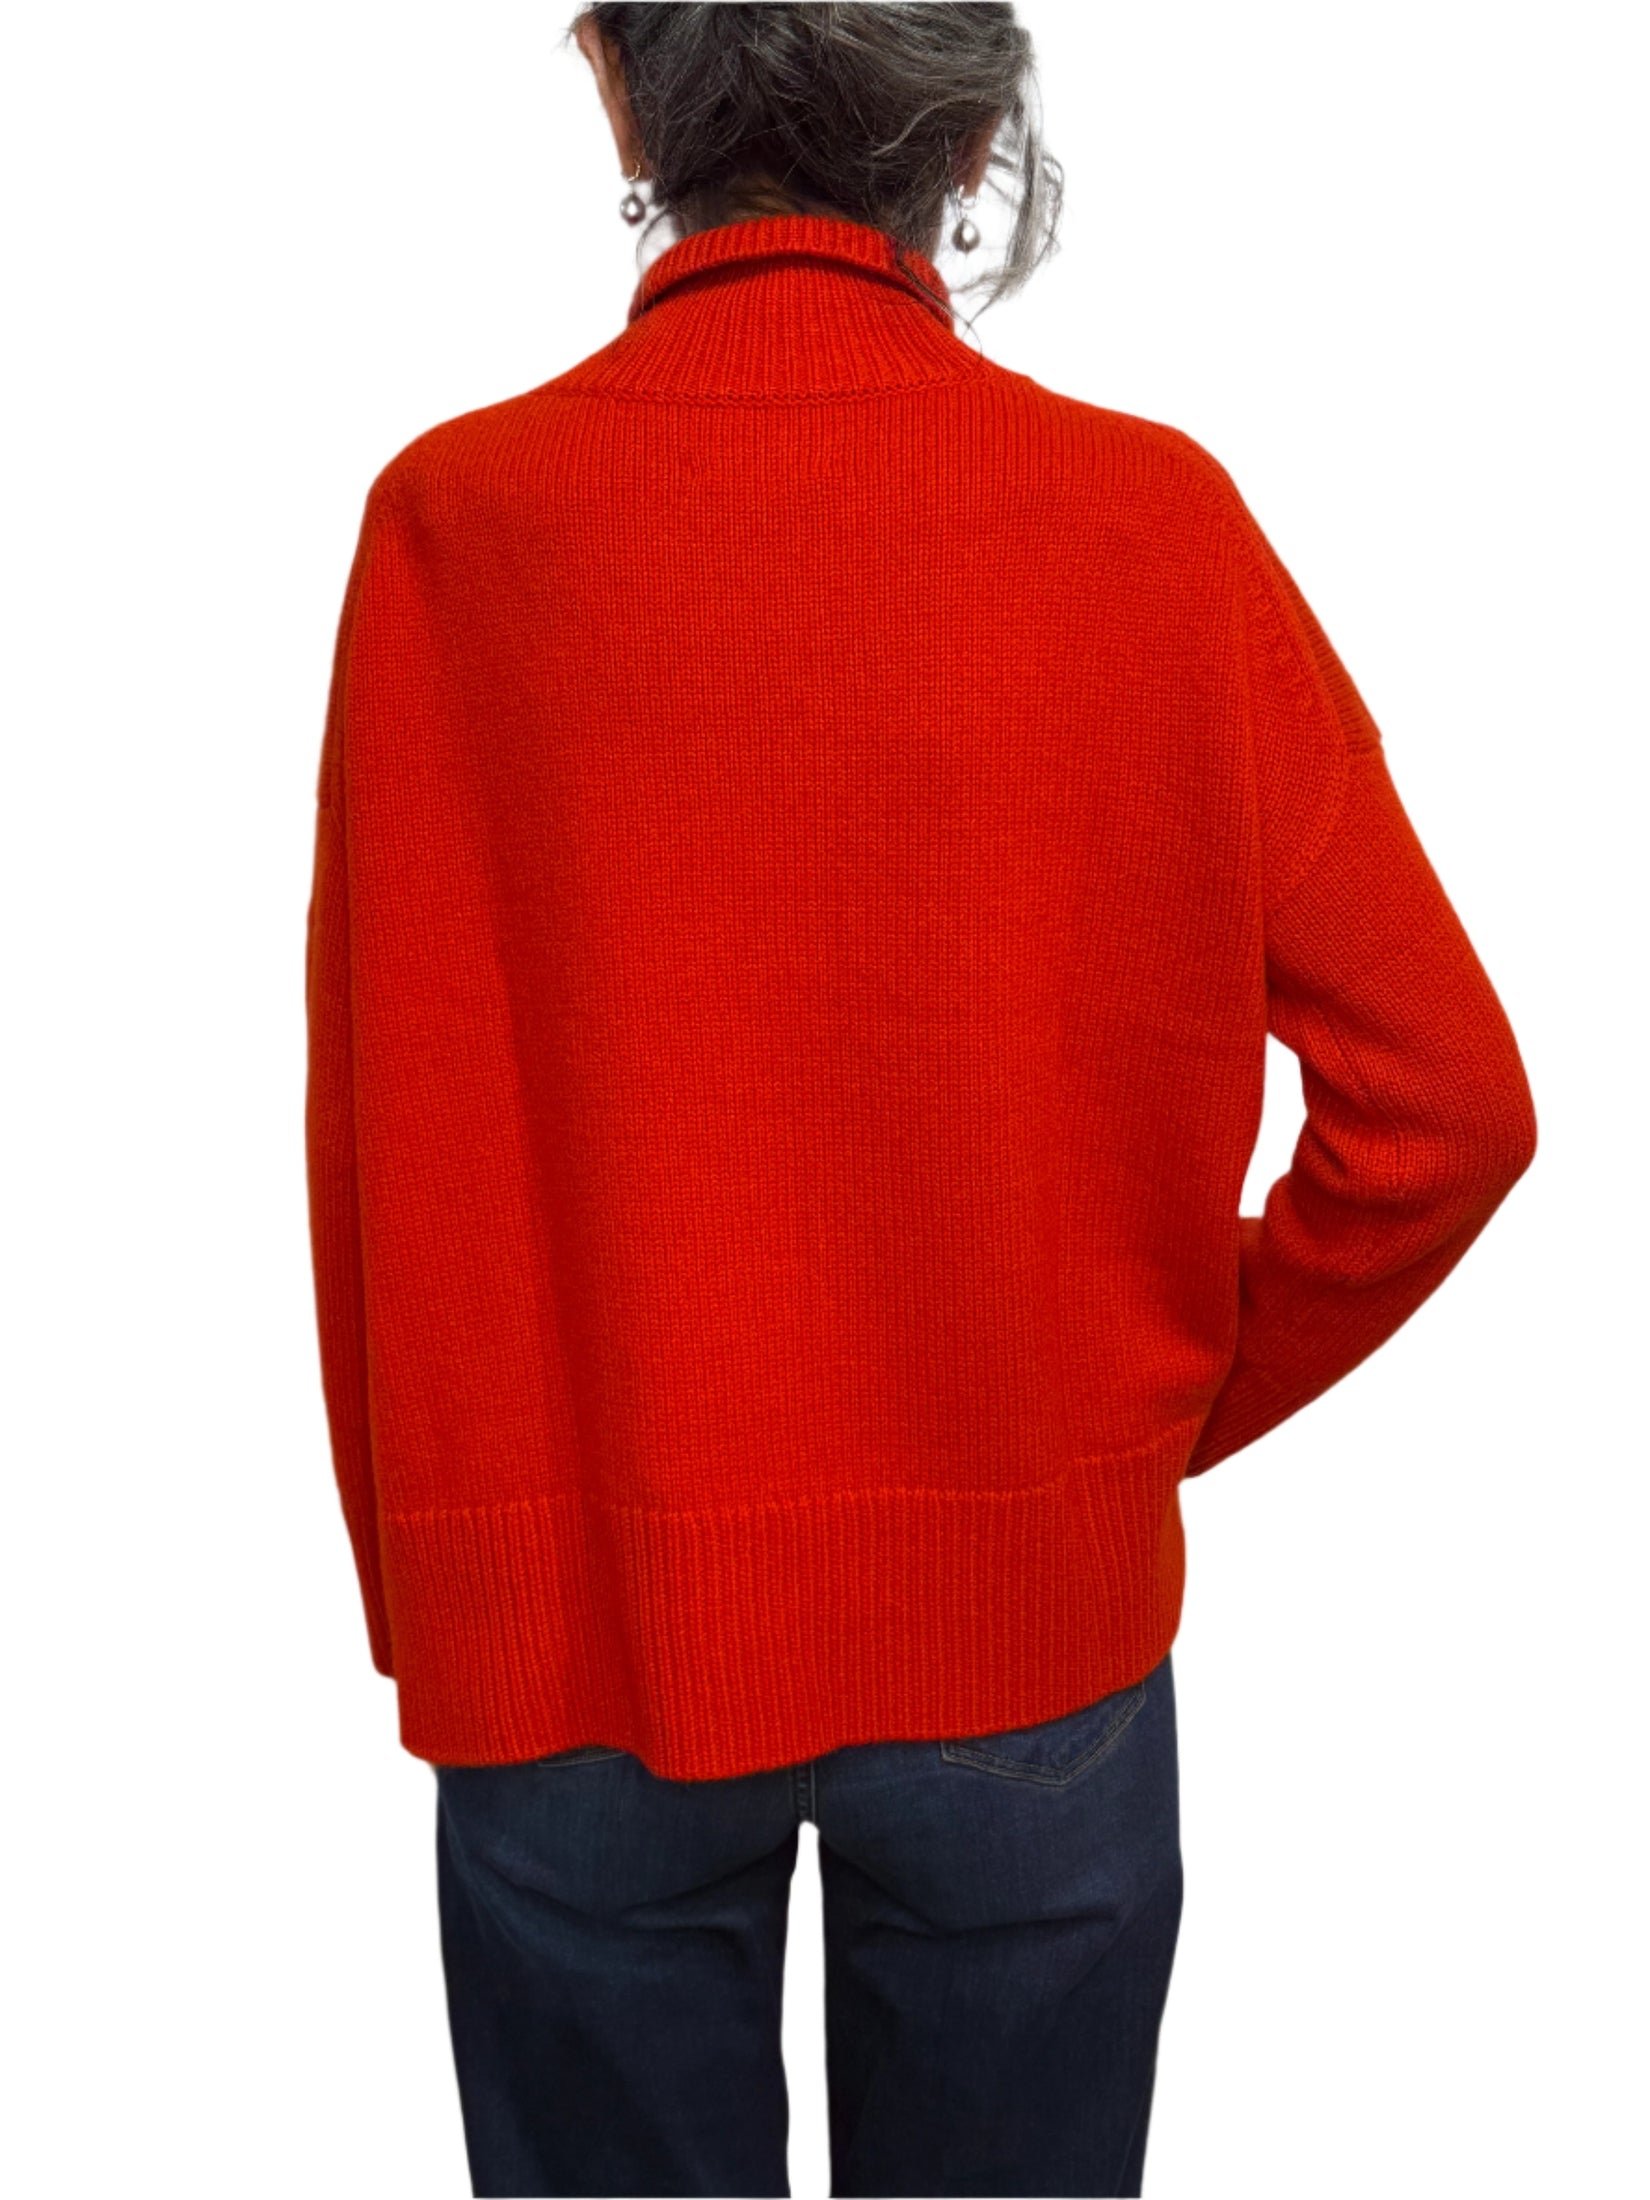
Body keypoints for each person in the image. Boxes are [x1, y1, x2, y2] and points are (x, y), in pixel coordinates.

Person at [302, 6, 1538, 2194]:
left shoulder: (457, 528)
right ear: (969, 136)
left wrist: (444, 1608)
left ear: (615, 86)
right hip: (1029, 1650)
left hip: (573, 1646)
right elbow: (1444, 1107)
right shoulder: (1151, 527)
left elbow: (376, 1144)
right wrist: (1111, 1435)